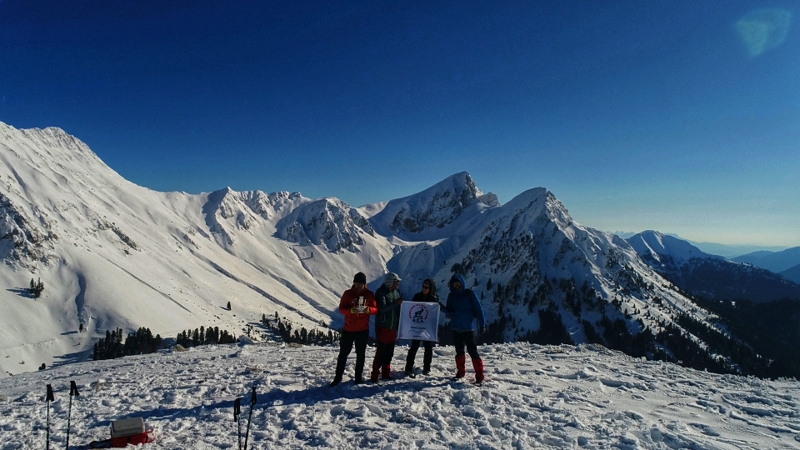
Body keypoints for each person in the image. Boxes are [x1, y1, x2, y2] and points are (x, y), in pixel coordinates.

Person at [330, 272, 377, 387]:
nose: (359, 285)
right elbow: (341, 309)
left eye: (361, 283)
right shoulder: (348, 293)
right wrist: (351, 310)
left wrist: (368, 310)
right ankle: (338, 377)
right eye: (357, 283)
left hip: (362, 329)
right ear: (354, 282)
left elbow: (375, 309)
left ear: (364, 284)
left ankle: (358, 377)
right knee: (343, 354)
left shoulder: (369, 294)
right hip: (348, 329)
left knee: (361, 354)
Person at [442, 274, 486, 384]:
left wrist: (482, 325)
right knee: (459, 352)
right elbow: (449, 310)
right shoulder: (451, 296)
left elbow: (479, 309)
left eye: (458, 283)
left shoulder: (470, 294)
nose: (457, 285)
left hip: (468, 329)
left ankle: (479, 376)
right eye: (455, 283)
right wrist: (440, 307)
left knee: (473, 352)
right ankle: (460, 373)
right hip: (456, 328)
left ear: (462, 283)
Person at [370, 272, 403, 382]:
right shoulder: (381, 292)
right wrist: (396, 303)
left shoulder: (396, 293)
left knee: (389, 352)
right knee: (381, 351)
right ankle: (375, 374)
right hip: (383, 326)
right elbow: (382, 308)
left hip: (392, 327)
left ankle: (386, 373)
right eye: (396, 281)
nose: (398, 283)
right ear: (391, 282)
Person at [404, 278, 438, 377]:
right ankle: (408, 368)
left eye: (426, 287)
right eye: (423, 286)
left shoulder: (434, 298)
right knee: (414, 347)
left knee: (428, 347)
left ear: (430, 288)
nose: (424, 288)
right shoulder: (417, 296)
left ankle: (427, 369)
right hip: (417, 326)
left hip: (427, 328)